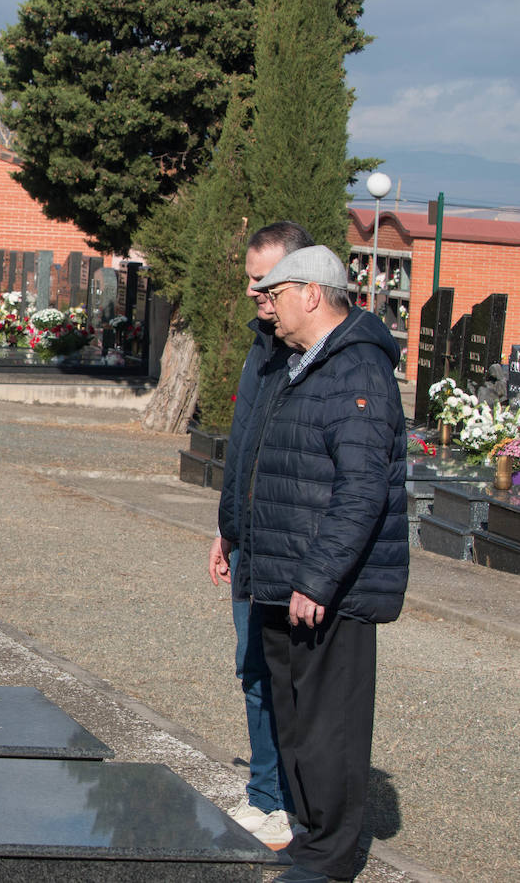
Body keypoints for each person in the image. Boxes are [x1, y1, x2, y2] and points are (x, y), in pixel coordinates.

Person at [246, 245, 408, 883]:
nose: (269, 308)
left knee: (329, 726)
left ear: (311, 293)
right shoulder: (302, 362)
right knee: (295, 719)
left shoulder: (357, 369)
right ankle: (311, 836)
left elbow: (361, 489)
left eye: (276, 294)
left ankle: (329, 858)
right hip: (286, 579)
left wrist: (316, 577)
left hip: (330, 588)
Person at [209, 222, 313, 847]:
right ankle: (265, 794)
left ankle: (293, 803)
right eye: (249, 280)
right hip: (249, 536)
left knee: (288, 678)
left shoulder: (314, 351)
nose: (252, 293)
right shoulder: (263, 345)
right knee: (252, 670)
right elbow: (245, 443)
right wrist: (226, 528)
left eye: (263, 280)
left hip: (289, 542)